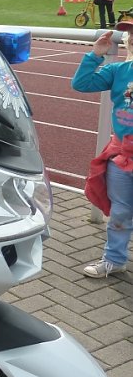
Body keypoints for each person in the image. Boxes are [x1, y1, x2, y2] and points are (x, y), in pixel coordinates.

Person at [72, 28, 133, 278]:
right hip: (121, 155)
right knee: (120, 210)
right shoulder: (119, 71)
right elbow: (81, 83)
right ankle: (115, 259)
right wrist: (95, 55)